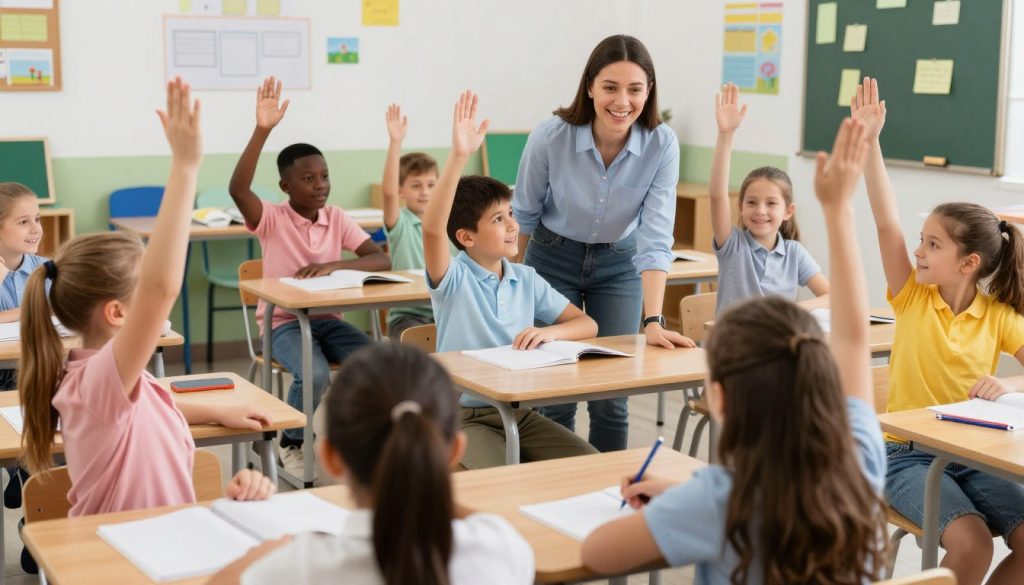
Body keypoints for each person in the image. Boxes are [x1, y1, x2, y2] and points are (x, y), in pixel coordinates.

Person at [581, 118, 889, 585]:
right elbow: (852, 338)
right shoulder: (861, 455)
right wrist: (839, 210)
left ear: (719, 398)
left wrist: (689, 500)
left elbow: (597, 553)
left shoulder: (722, 499)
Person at [20, 77, 276, 519]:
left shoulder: (110, 378)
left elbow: (157, 403)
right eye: (142, 287)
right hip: (120, 555)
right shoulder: (97, 380)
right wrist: (185, 167)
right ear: (117, 313)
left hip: (161, 541)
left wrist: (218, 408)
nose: (158, 299)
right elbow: (161, 289)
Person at [856, 76, 1024, 585]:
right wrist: (870, 144)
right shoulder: (913, 296)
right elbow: (886, 223)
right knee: (970, 546)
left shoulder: (999, 315)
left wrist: (1010, 384)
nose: (918, 251)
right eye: (922, 240)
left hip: (973, 451)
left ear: (968, 262)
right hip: (903, 455)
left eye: (932, 245)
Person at [208, 344, 535, 585]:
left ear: (331, 458)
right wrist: (425, 483)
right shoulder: (500, 548)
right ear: (453, 452)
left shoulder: (297, 568)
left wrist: (257, 557)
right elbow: (488, 526)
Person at [513, 35, 693, 452]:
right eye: (610, 87)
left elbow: (656, 234)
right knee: (554, 394)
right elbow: (523, 215)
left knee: (613, 396)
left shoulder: (662, 144)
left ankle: (608, 494)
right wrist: (513, 286)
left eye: (635, 89)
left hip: (619, 264)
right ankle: (553, 492)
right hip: (550, 257)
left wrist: (653, 320)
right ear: (590, 86)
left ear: (649, 92)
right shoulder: (551, 136)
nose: (622, 101)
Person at [423, 90, 598, 469]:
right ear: (466, 238)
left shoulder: (525, 278)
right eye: (497, 220)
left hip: (519, 413)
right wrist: (457, 156)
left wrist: (549, 333)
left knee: (589, 464)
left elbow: (587, 324)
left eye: (510, 215)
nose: (512, 227)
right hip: (463, 418)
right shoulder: (454, 279)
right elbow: (433, 232)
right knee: (510, 480)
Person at [228, 76, 390, 476]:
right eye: (308, 178)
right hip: (282, 323)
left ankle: (362, 440)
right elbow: (237, 188)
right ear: (285, 186)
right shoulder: (272, 219)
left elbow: (380, 260)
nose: (320, 185)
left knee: (379, 361)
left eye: (324, 176)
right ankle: (293, 441)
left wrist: (335, 265)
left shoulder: (336, 217)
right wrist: (262, 129)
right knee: (314, 373)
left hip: (327, 322)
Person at [708, 83, 829, 314]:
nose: (760, 210)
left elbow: (831, 297)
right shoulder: (732, 245)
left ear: (788, 211)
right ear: (740, 207)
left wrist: (791, 309)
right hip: (735, 345)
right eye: (751, 202)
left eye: (771, 203)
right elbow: (716, 196)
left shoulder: (794, 253)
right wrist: (726, 135)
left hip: (776, 343)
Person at [380, 104, 454, 341]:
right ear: (402, 190)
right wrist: (395, 142)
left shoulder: (448, 223)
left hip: (445, 311)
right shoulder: (400, 223)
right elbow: (388, 194)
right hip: (408, 315)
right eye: (415, 185)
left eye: (431, 185)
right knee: (418, 355)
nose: (424, 192)